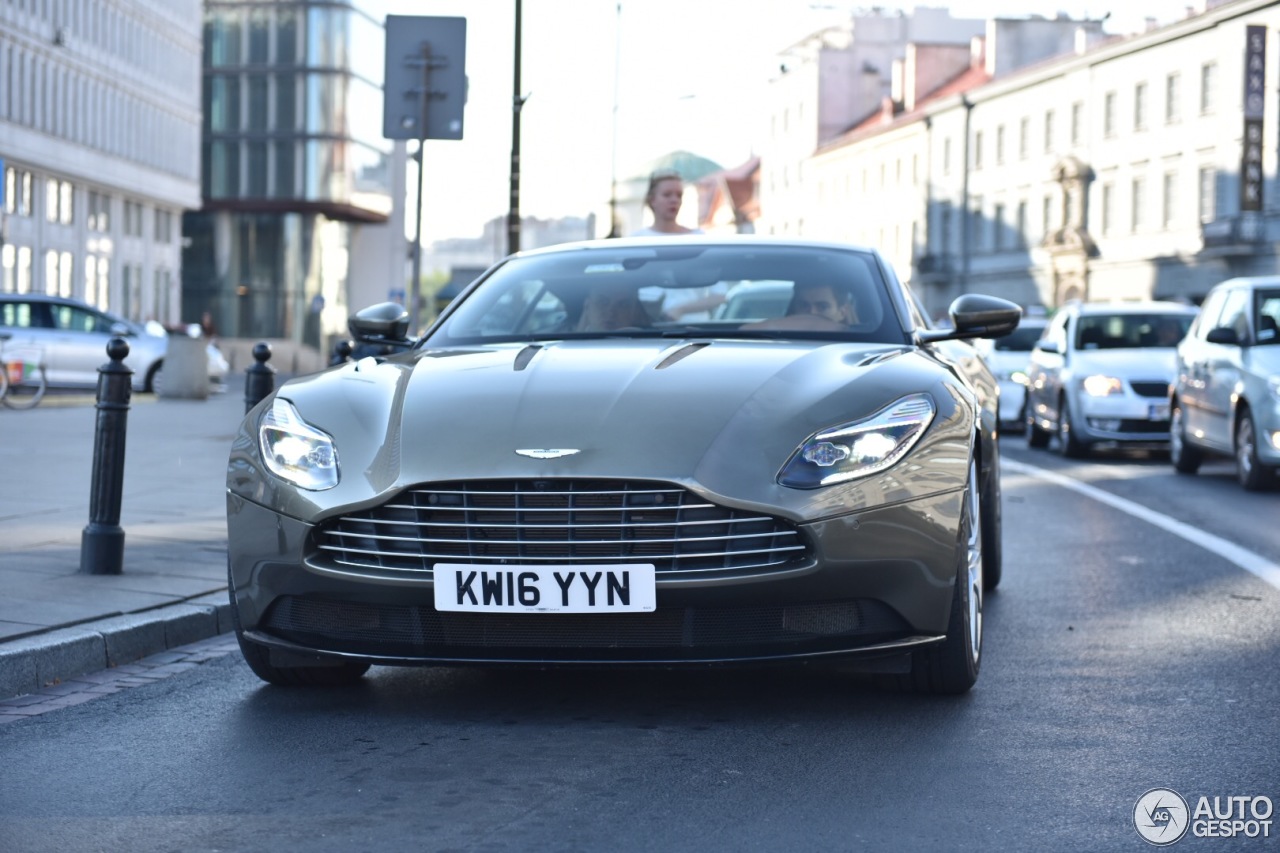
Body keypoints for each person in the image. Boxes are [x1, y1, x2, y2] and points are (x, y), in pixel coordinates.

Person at [630, 171, 704, 236]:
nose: (674, 200)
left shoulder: (697, 237)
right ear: (652, 200)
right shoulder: (637, 240)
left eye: (679, 195)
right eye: (667, 194)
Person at [575, 287, 651, 331]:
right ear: (587, 306)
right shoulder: (564, 341)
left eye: (622, 305)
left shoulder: (654, 342)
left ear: (635, 311)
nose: (611, 312)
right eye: (602, 302)